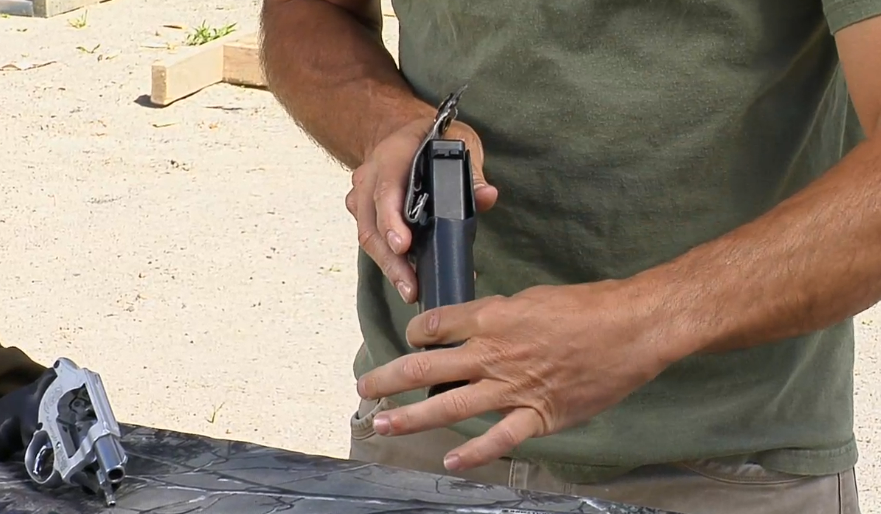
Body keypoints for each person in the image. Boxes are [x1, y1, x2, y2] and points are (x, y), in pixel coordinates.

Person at [259, 1, 880, 512]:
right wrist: (386, 122)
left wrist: (638, 325)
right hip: (423, 436)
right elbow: (310, 13)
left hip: (727, 468)